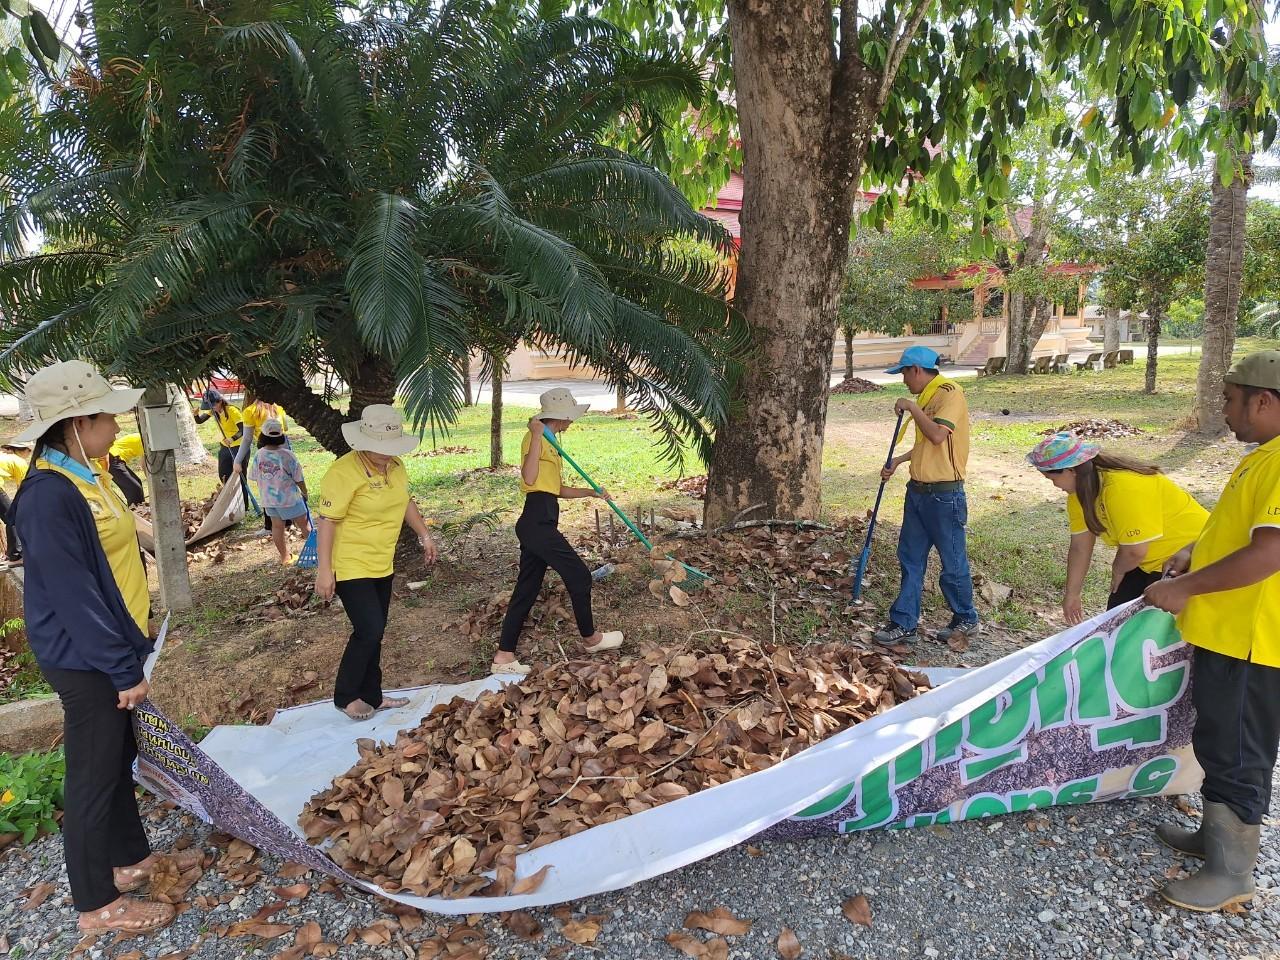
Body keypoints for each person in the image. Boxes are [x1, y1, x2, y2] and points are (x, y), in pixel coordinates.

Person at [9, 360, 192, 935]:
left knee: (116, 762)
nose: (117, 424)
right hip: (85, 659)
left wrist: (133, 647)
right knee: (90, 777)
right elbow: (73, 595)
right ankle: (95, 904)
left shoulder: (91, 478)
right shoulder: (47, 496)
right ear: (77, 422)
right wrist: (119, 668)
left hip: (115, 646)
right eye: (108, 416)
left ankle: (129, 860)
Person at [1145, 350, 1280, 912]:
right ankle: (1214, 835)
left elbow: (1270, 553)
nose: (1222, 410)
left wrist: (1186, 589)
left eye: (1229, 399)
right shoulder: (1262, 456)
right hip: (1227, 633)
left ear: (1264, 400)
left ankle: (1233, 873)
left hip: (1253, 639)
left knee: (1241, 751)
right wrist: (1191, 553)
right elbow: (1236, 532)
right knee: (1220, 739)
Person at [314, 405, 439, 721]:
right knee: (368, 629)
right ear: (362, 441)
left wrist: (424, 534)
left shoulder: (395, 466)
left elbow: (405, 500)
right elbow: (327, 522)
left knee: (376, 630)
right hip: (350, 563)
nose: (386, 454)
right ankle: (346, 695)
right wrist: (325, 570)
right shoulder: (343, 473)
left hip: (382, 561)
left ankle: (372, 695)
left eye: (390, 448)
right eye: (380, 448)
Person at [496, 388, 623, 676]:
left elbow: (555, 489)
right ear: (562, 416)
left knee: (527, 589)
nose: (572, 423)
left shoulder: (552, 442)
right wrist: (538, 436)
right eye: (570, 417)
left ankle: (503, 656)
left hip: (543, 518)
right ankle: (591, 639)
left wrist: (591, 492)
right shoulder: (536, 437)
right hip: (536, 522)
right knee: (578, 574)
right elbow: (529, 478)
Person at [1026, 432, 1208, 624]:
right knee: (1116, 624)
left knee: (1154, 633)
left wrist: (1117, 569)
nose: (1054, 485)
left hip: (1190, 560)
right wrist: (1072, 594)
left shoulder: (1123, 486)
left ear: (1071, 471)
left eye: (1051, 478)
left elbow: (1134, 551)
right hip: (1145, 562)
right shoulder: (1080, 493)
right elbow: (1080, 546)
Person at [873, 345, 979, 646]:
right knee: (910, 558)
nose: (904, 380)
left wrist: (911, 407)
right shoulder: (926, 396)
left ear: (916, 370)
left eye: (904, 374)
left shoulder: (950, 392)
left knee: (953, 562)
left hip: (945, 496)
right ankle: (904, 621)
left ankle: (966, 618)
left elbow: (936, 435)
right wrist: (899, 460)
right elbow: (927, 444)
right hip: (917, 492)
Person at [249, 418, 310, 565]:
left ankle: (285, 558)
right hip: (290, 499)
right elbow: (298, 478)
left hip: (269, 500)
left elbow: (254, 477)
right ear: (281, 436)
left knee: (277, 527)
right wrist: (305, 492)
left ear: (262, 436)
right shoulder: (288, 455)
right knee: (304, 525)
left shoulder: (259, 455)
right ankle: (320, 553)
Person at [192, 388, 251, 506]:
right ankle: (232, 502)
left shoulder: (232, 411)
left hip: (239, 447)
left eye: (213, 405)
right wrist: (195, 415)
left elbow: (243, 429)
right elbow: (199, 421)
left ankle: (244, 505)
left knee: (240, 476)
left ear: (219, 401)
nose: (211, 408)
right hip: (225, 447)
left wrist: (232, 438)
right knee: (224, 475)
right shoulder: (213, 411)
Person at [0, 440, 32, 562]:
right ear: (24, 450)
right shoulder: (19, 462)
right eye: (29, 451)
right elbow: (22, 490)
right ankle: (15, 553)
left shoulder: (5, 456)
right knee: (12, 517)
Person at [103, 433, 146, 507]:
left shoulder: (142, 437)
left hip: (115, 458)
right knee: (134, 488)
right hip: (112, 457)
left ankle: (140, 509)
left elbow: (143, 462)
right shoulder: (146, 441)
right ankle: (137, 512)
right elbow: (145, 465)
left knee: (137, 483)